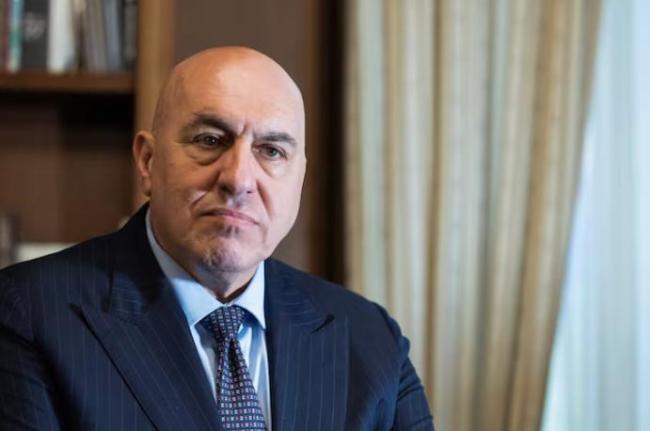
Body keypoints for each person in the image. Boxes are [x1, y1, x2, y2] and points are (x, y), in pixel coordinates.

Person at [0, 47, 434, 430]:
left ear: (299, 179)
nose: (239, 179)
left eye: (272, 151)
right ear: (148, 161)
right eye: (210, 140)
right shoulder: (28, 314)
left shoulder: (370, 339)